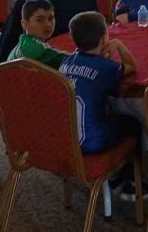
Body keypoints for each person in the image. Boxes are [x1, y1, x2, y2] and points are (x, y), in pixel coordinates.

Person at [59, 12, 142, 197]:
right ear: (105, 38)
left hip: (65, 141)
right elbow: (131, 66)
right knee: (133, 123)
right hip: (93, 142)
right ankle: (126, 179)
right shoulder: (105, 68)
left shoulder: (65, 62)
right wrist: (119, 44)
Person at [5, 0, 69, 68]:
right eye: (40, 20)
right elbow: (73, 61)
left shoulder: (22, 45)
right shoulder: (38, 49)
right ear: (24, 23)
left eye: (50, 19)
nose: (48, 24)